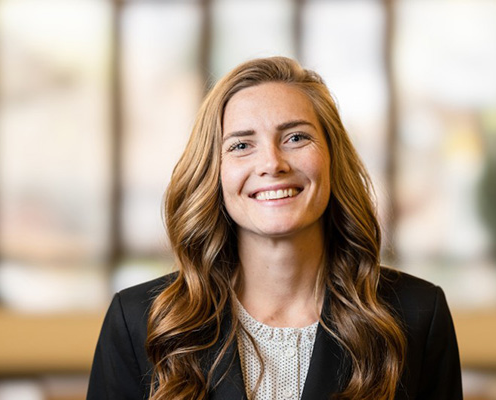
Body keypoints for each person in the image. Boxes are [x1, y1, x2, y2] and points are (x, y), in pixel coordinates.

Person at [87, 57, 462, 400]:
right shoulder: (139, 320)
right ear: (213, 173)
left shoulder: (417, 315)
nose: (272, 162)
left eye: (296, 137)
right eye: (241, 145)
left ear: (332, 158)